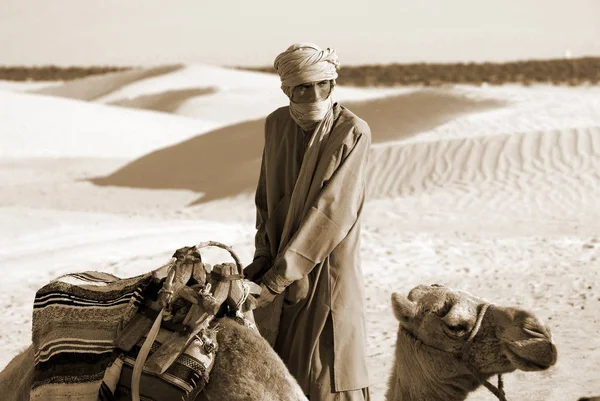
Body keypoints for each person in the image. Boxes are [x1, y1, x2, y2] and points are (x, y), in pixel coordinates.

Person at [244, 43, 371, 401]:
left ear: (333, 85)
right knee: (282, 373)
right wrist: (263, 257)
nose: (314, 95)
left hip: (328, 270)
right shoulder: (276, 125)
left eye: (323, 85)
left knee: (328, 372)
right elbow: (267, 199)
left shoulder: (352, 131)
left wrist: (280, 277)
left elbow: (332, 214)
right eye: (303, 87)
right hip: (277, 273)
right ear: (286, 89)